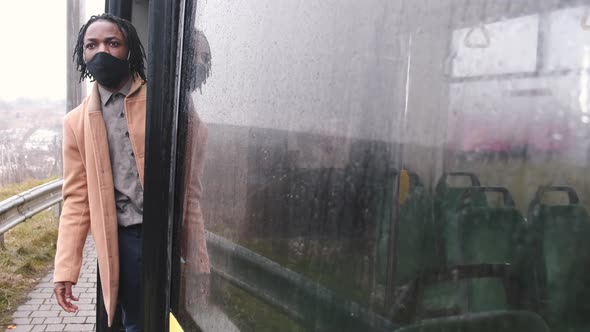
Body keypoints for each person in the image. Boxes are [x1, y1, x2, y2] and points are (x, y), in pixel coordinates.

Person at [52, 13, 209, 331]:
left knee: (174, 317)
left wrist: (199, 259)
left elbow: (189, 189)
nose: (102, 52)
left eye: (113, 43)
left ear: (130, 50)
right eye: (91, 45)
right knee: (137, 320)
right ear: (82, 55)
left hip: (167, 234)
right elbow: (76, 200)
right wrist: (66, 269)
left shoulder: (164, 102)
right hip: (123, 239)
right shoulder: (76, 122)